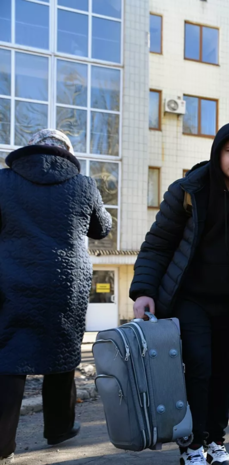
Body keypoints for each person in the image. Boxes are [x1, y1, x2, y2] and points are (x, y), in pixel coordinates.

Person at [129, 122, 229, 465]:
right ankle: (192, 444)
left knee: (223, 371)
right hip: (190, 298)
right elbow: (157, 245)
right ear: (217, 152)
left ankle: (216, 441)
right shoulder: (188, 190)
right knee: (198, 364)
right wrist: (143, 291)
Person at [0, 130, 112, 463]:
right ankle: (59, 428)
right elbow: (102, 228)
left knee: (8, 356)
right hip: (65, 281)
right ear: (67, 153)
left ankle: (2, 447)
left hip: (12, 278)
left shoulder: (4, 181)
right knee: (61, 351)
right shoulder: (83, 184)